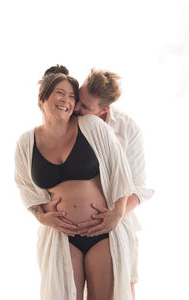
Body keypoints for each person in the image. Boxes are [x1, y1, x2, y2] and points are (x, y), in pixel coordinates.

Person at [14, 65, 141, 300]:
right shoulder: (26, 142)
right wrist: (41, 216)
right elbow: (25, 187)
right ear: (42, 97)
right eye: (60, 93)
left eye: (72, 96)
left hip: (102, 232)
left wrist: (117, 213)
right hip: (63, 236)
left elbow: (121, 172)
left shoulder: (92, 126)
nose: (68, 101)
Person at [43, 68, 154, 299]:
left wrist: (116, 213)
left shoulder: (127, 129)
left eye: (85, 107)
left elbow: (139, 187)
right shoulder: (71, 120)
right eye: (78, 100)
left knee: (122, 289)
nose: (77, 108)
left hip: (114, 228)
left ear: (104, 109)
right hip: (69, 234)